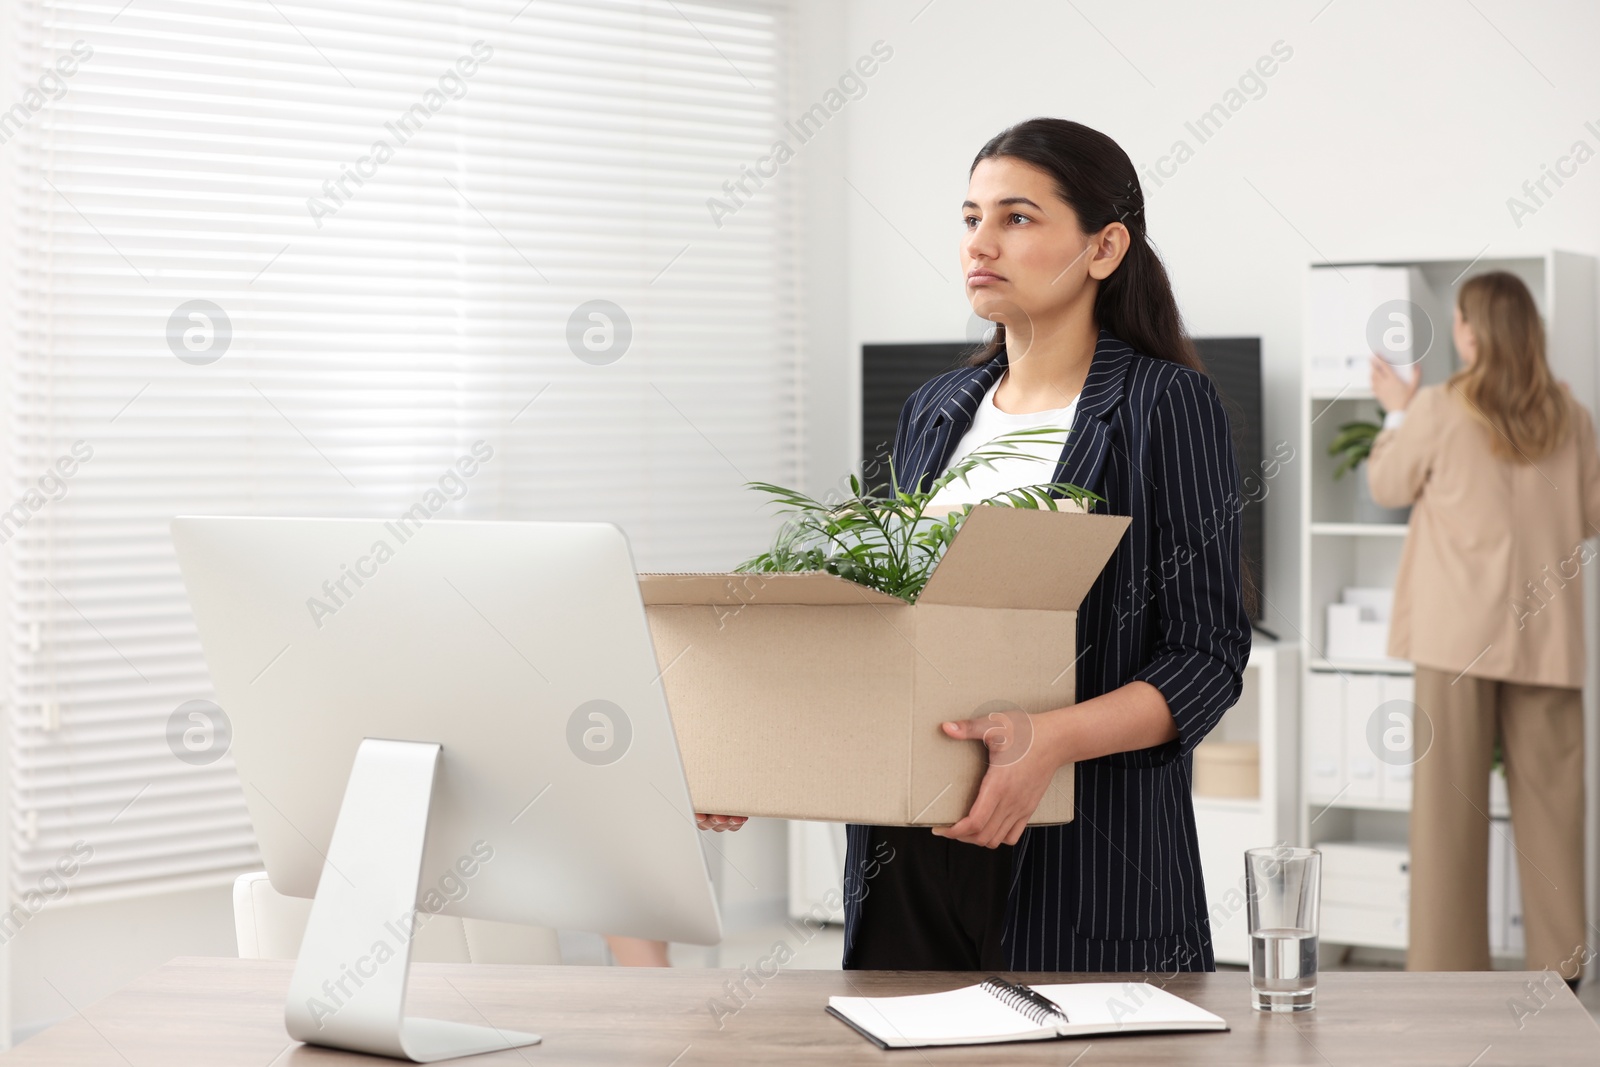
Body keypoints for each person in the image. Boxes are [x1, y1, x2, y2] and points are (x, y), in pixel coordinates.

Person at [682, 117, 1254, 971]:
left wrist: (1049, 738)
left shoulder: (1161, 406)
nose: (980, 243)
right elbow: (884, 629)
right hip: (904, 851)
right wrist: (756, 755)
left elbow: (1206, 656)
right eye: (969, 217)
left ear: (1104, 247)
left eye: (1017, 218)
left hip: (1080, 856)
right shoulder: (936, 408)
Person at [1367, 271, 1598, 991]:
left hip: (1453, 640)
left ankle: (1444, 981)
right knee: (1556, 818)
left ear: (1471, 331)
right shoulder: (1572, 414)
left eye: (1460, 322)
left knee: (1446, 820)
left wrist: (1397, 412)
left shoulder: (1436, 406)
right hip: (1548, 637)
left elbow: (1386, 487)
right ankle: (1559, 984)